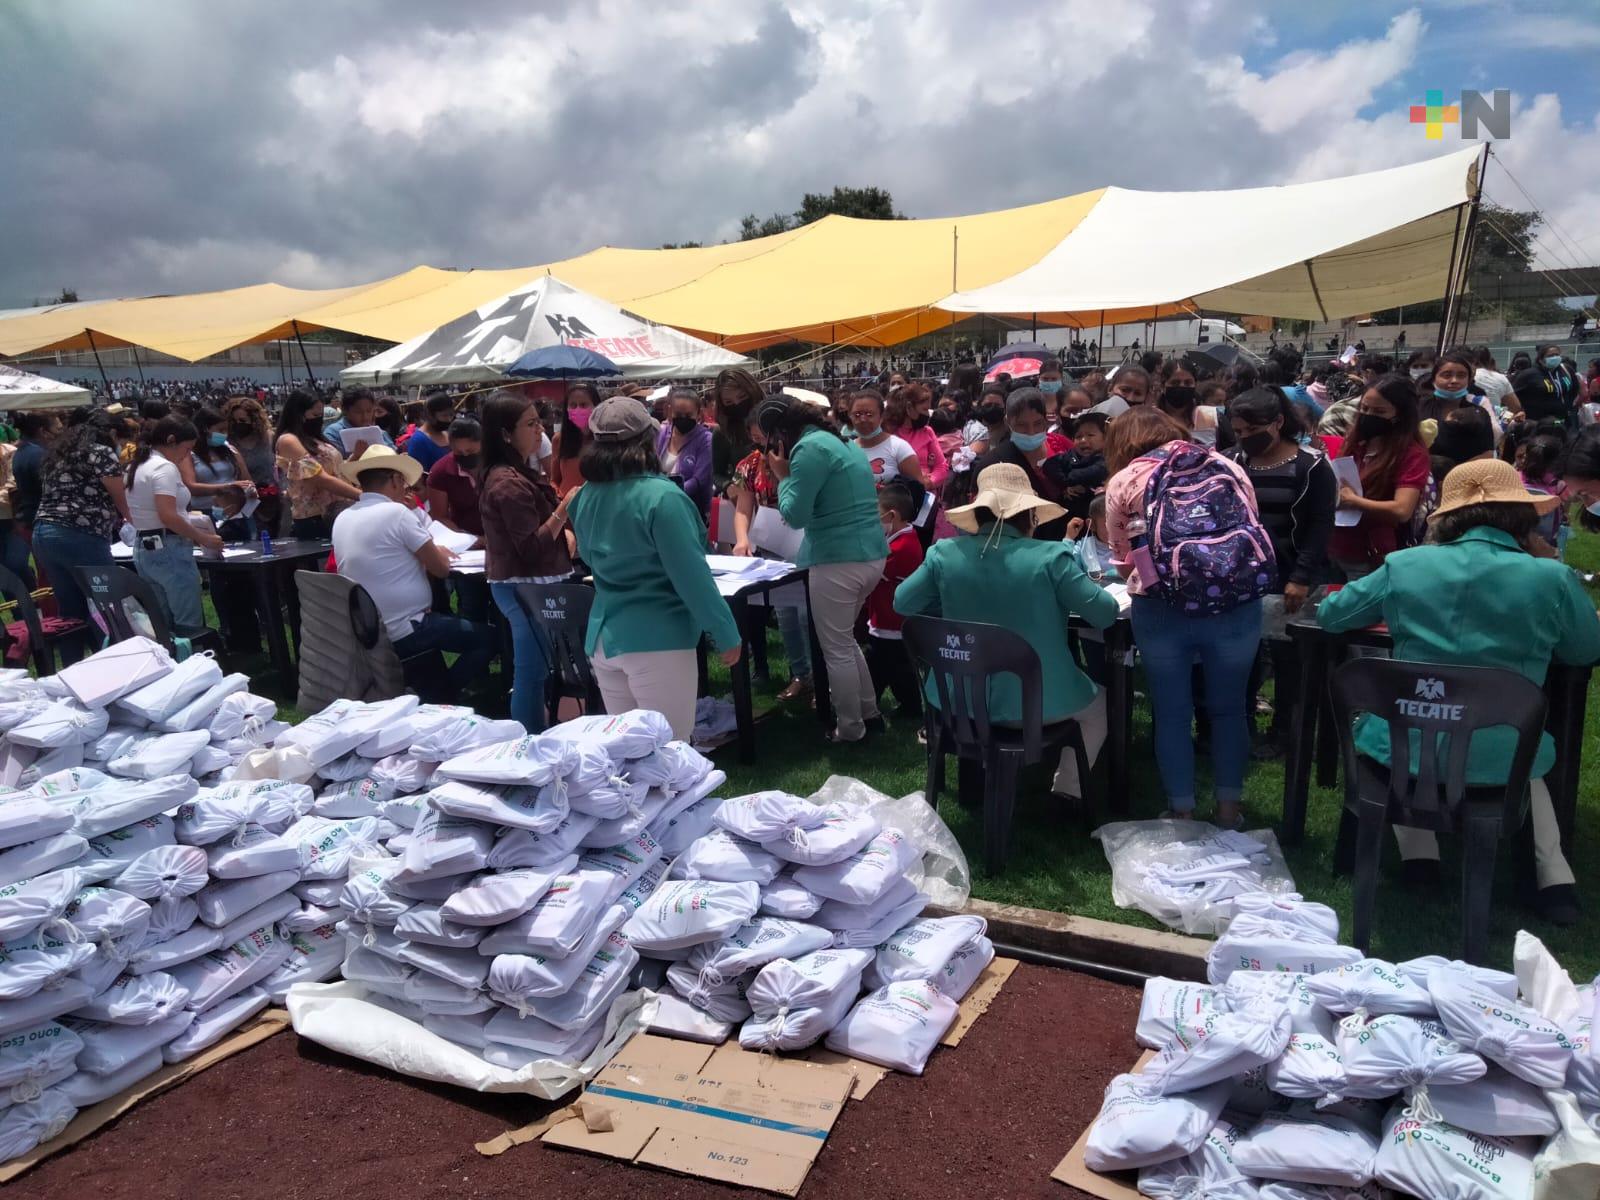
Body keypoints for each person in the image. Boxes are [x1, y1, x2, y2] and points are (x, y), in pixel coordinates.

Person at [1318, 459, 1598, 925]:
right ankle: (1554, 882)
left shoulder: (1406, 565)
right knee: (1523, 756)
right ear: (1521, 517)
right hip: (1500, 749)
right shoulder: (1551, 578)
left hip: (1406, 739)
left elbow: (1332, 616)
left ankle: (1421, 859)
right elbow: (1585, 648)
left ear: (1448, 516)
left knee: (1403, 735)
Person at [895, 462, 1118, 802]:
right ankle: (1068, 791)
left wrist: (950, 604)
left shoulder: (944, 553)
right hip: (1039, 703)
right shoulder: (1051, 557)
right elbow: (1104, 614)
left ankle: (988, 774)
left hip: (957, 701)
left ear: (978, 512)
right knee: (1101, 703)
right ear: (1030, 515)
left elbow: (904, 602)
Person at [1105, 406, 1268, 825]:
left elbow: (1123, 559)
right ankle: (1230, 807)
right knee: (1230, 708)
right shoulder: (1225, 465)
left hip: (1162, 607)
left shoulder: (1125, 479)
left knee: (1171, 712)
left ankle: (1182, 808)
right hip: (1234, 601)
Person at [569, 398, 740, 741]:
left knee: (630, 756)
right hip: (657, 637)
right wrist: (725, 634)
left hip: (605, 637)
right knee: (672, 756)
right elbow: (691, 576)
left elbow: (587, 555)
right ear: (648, 440)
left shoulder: (585, 496)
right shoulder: (663, 497)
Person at [759, 393, 888, 744]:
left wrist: (782, 475)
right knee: (845, 642)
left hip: (838, 560)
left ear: (779, 433)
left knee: (836, 649)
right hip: (869, 555)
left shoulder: (808, 451)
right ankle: (869, 713)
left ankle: (850, 729)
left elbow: (795, 515)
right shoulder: (840, 441)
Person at [333, 445, 496, 702]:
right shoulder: (397, 513)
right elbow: (441, 569)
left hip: (366, 628)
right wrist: (437, 551)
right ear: (396, 480)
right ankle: (442, 695)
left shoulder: (343, 517)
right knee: (490, 638)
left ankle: (433, 692)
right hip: (406, 627)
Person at [1226, 387, 1337, 755]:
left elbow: (1320, 525)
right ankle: (1240, 726)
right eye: (1238, 431)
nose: (1243, 437)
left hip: (1291, 576)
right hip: (1241, 579)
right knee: (1244, 659)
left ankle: (1285, 731)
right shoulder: (1232, 462)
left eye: (1250, 429)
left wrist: (1301, 577)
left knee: (1290, 661)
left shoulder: (1311, 466)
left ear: (1277, 422)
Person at [477, 391, 577, 731]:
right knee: (531, 672)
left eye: (540, 422)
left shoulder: (513, 473)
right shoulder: (507, 482)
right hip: (523, 586)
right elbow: (531, 548)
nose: (540, 431)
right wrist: (563, 511)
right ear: (506, 433)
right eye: (531, 424)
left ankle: (532, 733)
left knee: (534, 670)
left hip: (525, 584)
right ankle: (528, 741)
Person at [728, 416, 814, 703]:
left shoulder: (802, 457)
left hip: (807, 541)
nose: (756, 436)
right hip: (771, 543)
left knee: (808, 615)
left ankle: (821, 675)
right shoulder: (749, 465)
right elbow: (743, 507)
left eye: (761, 430)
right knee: (786, 612)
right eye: (753, 431)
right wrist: (742, 539)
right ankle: (801, 674)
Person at [31, 410, 133, 645]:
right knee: (108, 603)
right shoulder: (102, 453)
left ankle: (74, 664)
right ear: (112, 433)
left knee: (70, 612)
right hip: (80, 534)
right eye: (120, 441)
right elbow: (121, 500)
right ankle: (118, 655)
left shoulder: (60, 454)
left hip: (44, 533)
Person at [126, 417, 223, 636]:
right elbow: (168, 515)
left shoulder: (137, 465)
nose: (186, 456)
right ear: (171, 441)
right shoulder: (164, 467)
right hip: (169, 547)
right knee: (187, 622)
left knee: (162, 623)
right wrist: (203, 537)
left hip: (144, 547)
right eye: (187, 449)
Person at [1328, 374, 1430, 579]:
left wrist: (1354, 501)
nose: (1368, 415)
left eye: (1379, 411)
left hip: (1371, 555)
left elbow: (1402, 510)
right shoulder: (1355, 443)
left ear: (1399, 415)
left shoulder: (1411, 454)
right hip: (1336, 549)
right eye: (1364, 408)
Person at [863, 481, 924, 719]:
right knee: (896, 670)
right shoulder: (903, 540)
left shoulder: (901, 547)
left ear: (892, 515)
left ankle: (871, 707)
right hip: (887, 620)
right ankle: (907, 707)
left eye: (878, 517)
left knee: (885, 669)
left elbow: (873, 571)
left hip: (892, 622)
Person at [975, 388, 1070, 539]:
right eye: (1021, 425)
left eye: (1038, 423)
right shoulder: (994, 463)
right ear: (1008, 422)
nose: (1031, 432)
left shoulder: (1062, 447)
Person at [276, 390, 359, 539]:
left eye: (321, 415)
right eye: (314, 415)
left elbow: (335, 472)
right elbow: (318, 477)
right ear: (299, 414)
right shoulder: (288, 440)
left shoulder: (316, 439)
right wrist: (363, 495)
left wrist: (356, 456)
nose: (318, 419)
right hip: (314, 519)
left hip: (337, 512)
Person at [189, 407, 257, 541]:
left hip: (236, 513)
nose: (224, 434)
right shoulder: (190, 455)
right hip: (207, 514)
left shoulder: (229, 450)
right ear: (205, 429)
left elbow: (247, 479)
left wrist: (249, 491)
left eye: (226, 430)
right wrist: (227, 487)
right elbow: (191, 487)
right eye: (220, 430)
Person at [9, 411, 57, 589]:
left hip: (29, 518)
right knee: (54, 575)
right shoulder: (39, 455)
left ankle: (50, 612)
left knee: (45, 573)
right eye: (55, 429)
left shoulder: (21, 452)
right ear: (42, 431)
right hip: (42, 519)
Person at [654, 387, 715, 520]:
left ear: (698, 414)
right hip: (659, 506)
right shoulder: (662, 434)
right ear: (670, 411)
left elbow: (699, 480)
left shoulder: (706, 439)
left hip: (691, 510)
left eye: (688, 416)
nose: (683, 419)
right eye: (678, 415)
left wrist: (670, 494)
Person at [222, 396, 279, 533]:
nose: (238, 424)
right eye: (234, 421)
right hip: (246, 501)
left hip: (273, 498)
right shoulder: (229, 443)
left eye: (242, 421)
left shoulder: (269, 437)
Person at [847, 389, 922, 485]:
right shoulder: (846, 449)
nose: (863, 419)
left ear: (881, 416)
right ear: (850, 416)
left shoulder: (899, 447)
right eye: (857, 415)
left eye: (869, 414)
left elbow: (918, 489)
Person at [1042, 411, 1108, 520]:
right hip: (1066, 513)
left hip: (1093, 516)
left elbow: (1095, 472)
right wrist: (1065, 485)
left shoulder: (1106, 459)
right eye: (1078, 436)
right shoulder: (1071, 455)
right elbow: (1049, 465)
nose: (1083, 440)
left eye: (1090, 435)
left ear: (1106, 437)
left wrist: (1071, 478)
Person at [884, 384, 949, 489]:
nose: (927, 414)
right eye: (924, 409)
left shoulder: (927, 432)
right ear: (909, 408)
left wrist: (930, 481)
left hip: (925, 496)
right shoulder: (887, 434)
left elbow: (941, 466)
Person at [710, 367, 762, 495]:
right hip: (742, 503)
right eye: (729, 402)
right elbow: (717, 474)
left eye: (742, 396)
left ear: (752, 390)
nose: (737, 404)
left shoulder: (775, 420)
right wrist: (728, 486)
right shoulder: (722, 432)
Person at [549, 382, 598, 497]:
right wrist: (557, 495)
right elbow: (554, 480)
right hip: (566, 507)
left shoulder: (604, 440)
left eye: (583, 405)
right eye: (573, 405)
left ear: (596, 406)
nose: (578, 409)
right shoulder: (559, 439)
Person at [321, 387, 394, 455]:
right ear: (345, 410)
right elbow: (335, 463)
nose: (365, 417)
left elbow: (393, 452)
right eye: (358, 412)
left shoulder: (378, 432)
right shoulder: (333, 433)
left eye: (369, 411)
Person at [407, 391, 457, 474]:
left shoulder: (447, 433)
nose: (449, 419)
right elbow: (419, 477)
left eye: (451, 415)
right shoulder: (419, 441)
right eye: (444, 415)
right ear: (429, 415)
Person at [1535, 342, 1580, 423]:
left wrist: (1569, 405)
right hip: (1543, 419)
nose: (1554, 357)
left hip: (1566, 417)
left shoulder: (1566, 369)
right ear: (1541, 359)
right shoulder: (1533, 373)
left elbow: (1575, 389)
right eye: (1550, 356)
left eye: (1556, 354)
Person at [1473, 346, 1514, 411]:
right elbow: (1515, 407)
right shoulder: (1501, 378)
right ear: (1490, 360)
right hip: (1493, 418)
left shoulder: (1466, 377)